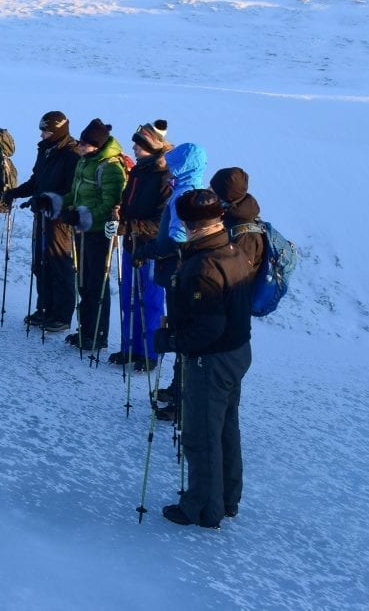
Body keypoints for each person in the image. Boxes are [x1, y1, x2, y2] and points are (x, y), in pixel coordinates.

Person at [155, 189, 254, 529]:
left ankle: (201, 507)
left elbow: (208, 325)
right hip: (236, 351)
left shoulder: (203, 266)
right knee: (226, 427)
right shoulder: (231, 250)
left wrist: (171, 339)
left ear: (190, 225)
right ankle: (226, 499)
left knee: (201, 433)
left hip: (210, 358)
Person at [145, 141, 208, 419]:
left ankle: (182, 398)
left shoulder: (185, 193)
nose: (168, 168)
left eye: (173, 164)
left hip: (179, 272)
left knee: (181, 332)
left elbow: (179, 238)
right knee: (179, 328)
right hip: (176, 271)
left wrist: (152, 249)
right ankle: (176, 387)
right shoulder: (185, 189)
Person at [6, 111, 82, 333]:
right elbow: (37, 180)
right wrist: (16, 192)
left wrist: (46, 200)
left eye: (46, 131)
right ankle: (45, 307)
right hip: (41, 215)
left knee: (59, 265)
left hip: (60, 219)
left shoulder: (71, 154)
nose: (42, 135)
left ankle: (62, 314)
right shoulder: (46, 150)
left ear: (58, 131)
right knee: (40, 263)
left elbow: (71, 190)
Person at [57, 119, 127, 352]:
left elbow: (110, 205)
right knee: (84, 281)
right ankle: (85, 329)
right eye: (81, 141)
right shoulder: (84, 162)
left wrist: (83, 216)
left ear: (97, 145)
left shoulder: (110, 168)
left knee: (97, 283)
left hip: (100, 234)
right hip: (84, 231)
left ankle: (98, 333)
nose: (81, 146)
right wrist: (57, 203)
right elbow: (76, 194)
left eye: (85, 144)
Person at [110, 120, 172, 371]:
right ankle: (129, 347)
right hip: (130, 243)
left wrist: (131, 226)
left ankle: (149, 352)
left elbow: (161, 221)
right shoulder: (137, 171)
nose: (134, 148)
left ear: (151, 146)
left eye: (139, 144)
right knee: (128, 297)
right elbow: (129, 204)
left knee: (150, 300)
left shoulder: (164, 175)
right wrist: (120, 216)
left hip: (151, 247)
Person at [211, 167, 265, 268]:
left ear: (224, 196)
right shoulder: (230, 215)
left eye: (213, 192)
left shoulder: (245, 235)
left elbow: (240, 276)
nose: (209, 194)